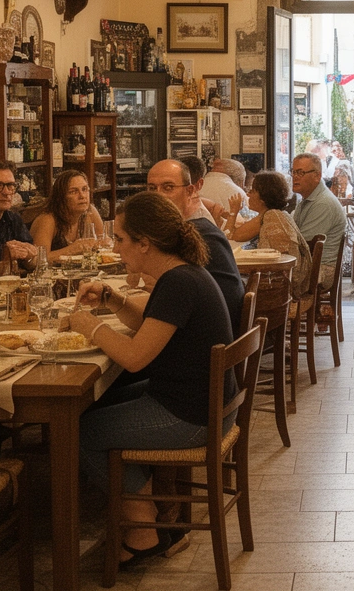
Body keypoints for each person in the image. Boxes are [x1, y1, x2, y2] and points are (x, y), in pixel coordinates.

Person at [69, 191, 233, 566]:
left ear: (145, 244)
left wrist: (88, 326)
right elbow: (149, 327)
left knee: (82, 431)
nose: (116, 246)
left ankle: (144, 530)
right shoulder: (179, 273)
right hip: (203, 400)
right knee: (99, 403)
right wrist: (112, 298)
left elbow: (135, 357)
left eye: (121, 240)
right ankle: (152, 519)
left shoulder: (179, 283)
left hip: (195, 417)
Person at [147, 159, 244, 327]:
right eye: (151, 188)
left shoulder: (197, 235)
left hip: (207, 338)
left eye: (168, 187)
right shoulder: (188, 228)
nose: (158, 195)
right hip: (203, 326)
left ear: (190, 191)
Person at [224, 171, 313, 298]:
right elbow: (236, 236)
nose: (248, 194)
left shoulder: (271, 216)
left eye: (252, 191)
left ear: (263, 197)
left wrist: (233, 211)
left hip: (283, 291)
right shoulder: (274, 214)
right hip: (289, 282)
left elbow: (229, 236)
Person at [290, 152, 346, 282]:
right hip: (312, 264)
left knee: (269, 281)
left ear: (317, 176)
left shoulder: (323, 203)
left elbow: (304, 245)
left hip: (322, 269)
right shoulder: (307, 199)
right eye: (293, 172)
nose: (294, 177)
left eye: (300, 173)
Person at [30, 169, 105, 262]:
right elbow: (36, 260)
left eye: (85, 189)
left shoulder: (90, 212)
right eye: (73, 191)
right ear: (61, 197)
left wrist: (106, 242)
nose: (82, 196)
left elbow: (103, 242)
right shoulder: (48, 219)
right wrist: (72, 250)